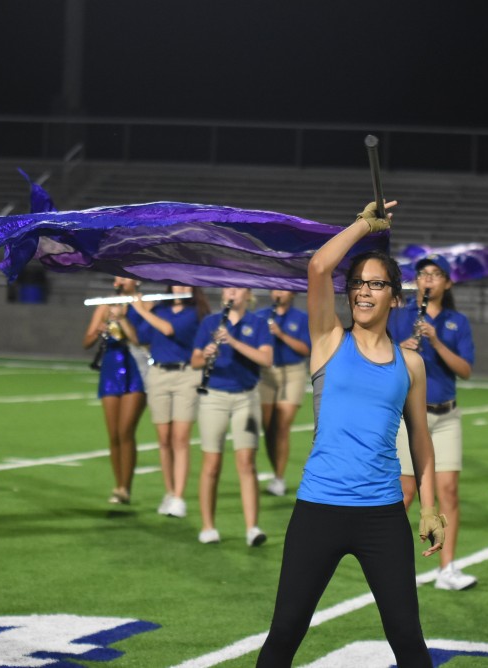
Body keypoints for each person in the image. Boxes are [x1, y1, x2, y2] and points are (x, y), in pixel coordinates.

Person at [258, 201, 446, 668]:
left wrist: (431, 507)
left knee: (407, 638)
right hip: (319, 507)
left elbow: (420, 439)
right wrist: (365, 225)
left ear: (394, 297)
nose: (363, 292)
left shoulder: (412, 365)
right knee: (284, 633)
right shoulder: (328, 340)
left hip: (381, 516)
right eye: (357, 284)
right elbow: (319, 265)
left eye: (376, 284)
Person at [389, 254, 478, 591]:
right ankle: (392, 565)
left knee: (448, 492)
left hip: (447, 415)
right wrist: (400, 349)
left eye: (436, 274)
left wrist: (436, 340)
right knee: (406, 492)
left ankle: (447, 569)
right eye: (423, 274)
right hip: (411, 416)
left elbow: (465, 371)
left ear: (447, 283)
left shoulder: (457, 321)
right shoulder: (399, 317)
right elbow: (375, 355)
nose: (428, 280)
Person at [191, 287, 273, 545]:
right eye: (228, 289)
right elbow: (193, 361)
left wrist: (234, 342)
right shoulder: (210, 322)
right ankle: (208, 527)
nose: (231, 294)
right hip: (213, 396)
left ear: (247, 295)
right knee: (211, 463)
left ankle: (252, 528)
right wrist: (205, 355)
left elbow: (266, 359)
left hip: (246, 398)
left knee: (247, 461)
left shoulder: (257, 323)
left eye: (237, 290)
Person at [126, 283, 209, 517]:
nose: (180, 288)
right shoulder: (159, 309)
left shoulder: (195, 313)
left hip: (186, 376)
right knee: (163, 439)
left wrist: (142, 310)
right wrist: (126, 315)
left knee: (180, 438)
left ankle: (180, 498)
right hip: (158, 375)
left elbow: (169, 330)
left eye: (185, 284)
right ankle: (170, 492)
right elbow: (141, 337)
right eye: (176, 283)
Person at [83, 276, 147, 505]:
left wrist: (123, 320)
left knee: (126, 430)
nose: (120, 281)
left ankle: (125, 487)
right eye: (118, 277)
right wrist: (101, 329)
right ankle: (117, 485)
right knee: (114, 434)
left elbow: (140, 341)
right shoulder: (105, 305)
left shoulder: (145, 305)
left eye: (125, 277)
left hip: (136, 370)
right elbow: (86, 341)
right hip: (111, 369)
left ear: (136, 280)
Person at [257, 290, 311, 497]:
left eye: (283, 289)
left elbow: (306, 349)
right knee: (269, 427)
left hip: (292, 372)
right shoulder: (260, 316)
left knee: (281, 424)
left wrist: (280, 334)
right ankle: (275, 472)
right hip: (267, 373)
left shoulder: (301, 317)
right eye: (275, 289)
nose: (278, 293)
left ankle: (279, 477)